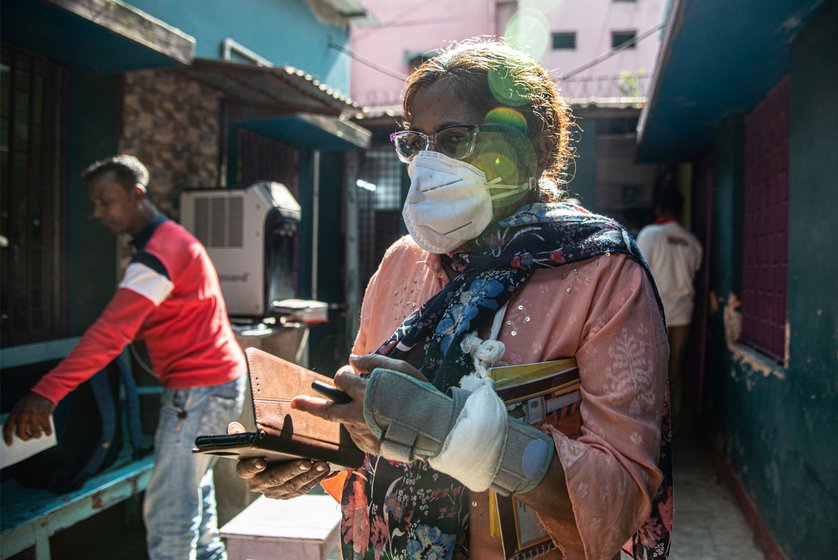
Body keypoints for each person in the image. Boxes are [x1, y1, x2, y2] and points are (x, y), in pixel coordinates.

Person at [235, 40, 672, 560]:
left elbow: (621, 495)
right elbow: (375, 422)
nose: (429, 164)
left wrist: (451, 433)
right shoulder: (404, 263)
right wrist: (316, 453)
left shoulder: (601, 272)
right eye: (418, 143)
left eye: (454, 138)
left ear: (531, 144)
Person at [3, 155, 246, 560]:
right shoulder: (169, 241)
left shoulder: (160, 252)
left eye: (105, 200)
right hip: (213, 384)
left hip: (199, 391)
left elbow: (109, 334)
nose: (98, 212)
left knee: (170, 511)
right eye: (94, 203)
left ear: (136, 194)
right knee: (193, 492)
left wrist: (46, 393)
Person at [636, 189, 702, 435]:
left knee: (653, 371)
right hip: (684, 313)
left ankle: (653, 427)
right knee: (675, 372)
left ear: (657, 209)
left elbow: (639, 271)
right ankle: (674, 426)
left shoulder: (649, 235)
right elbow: (695, 270)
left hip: (655, 312)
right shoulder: (691, 240)